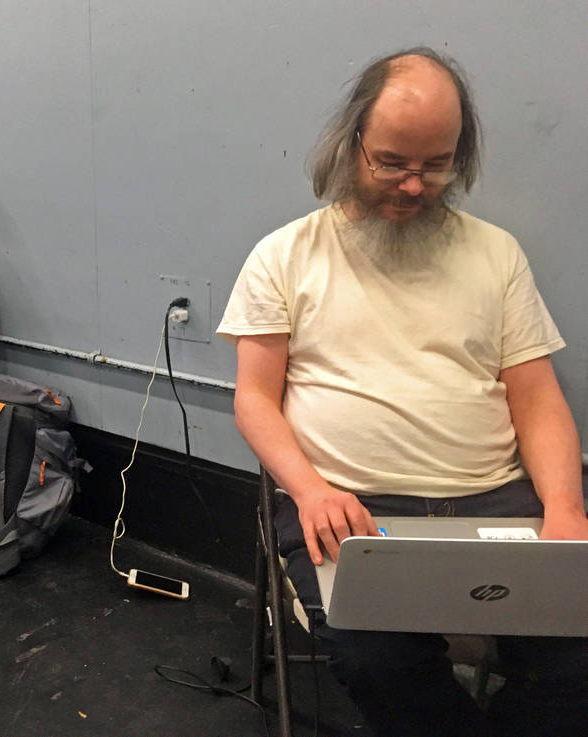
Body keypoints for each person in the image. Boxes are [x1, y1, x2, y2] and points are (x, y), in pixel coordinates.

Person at [217, 48, 588, 736]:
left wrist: (566, 509)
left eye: (436, 164)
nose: (415, 185)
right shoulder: (284, 256)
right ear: (350, 142)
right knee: (372, 654)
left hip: (494, 498)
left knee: (576, 654)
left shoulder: (496, 254)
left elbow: (536, 399)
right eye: (392, 162)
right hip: (352, 504)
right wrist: (309, 488)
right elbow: (253, 399)